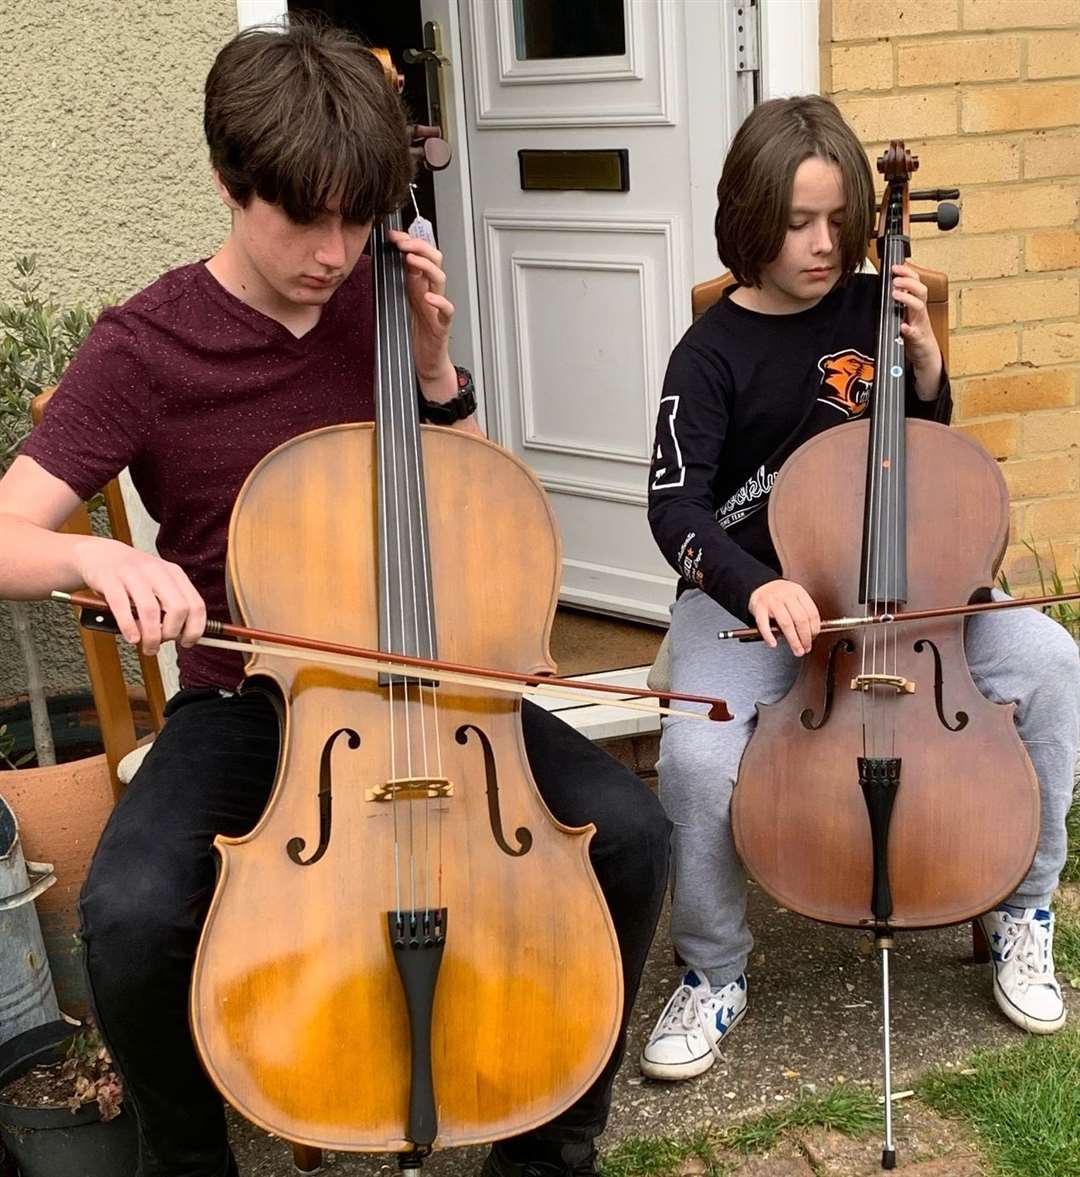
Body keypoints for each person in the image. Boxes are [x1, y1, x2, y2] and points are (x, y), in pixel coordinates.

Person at [0, 21, 671, 1177]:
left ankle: (550, 1145)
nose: (332, 250)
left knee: (635, 835)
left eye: (358, 217)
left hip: (436, 678)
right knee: (133, 911)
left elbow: (467, 509)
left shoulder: (380, 296)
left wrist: (435, 379)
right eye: (302, 217)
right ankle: (189, 1157)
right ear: (227, 178)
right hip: (256, 696)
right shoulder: (146, 345)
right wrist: (96, 560)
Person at [641, 94, 1079, 1082]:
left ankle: (1026, 905)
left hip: (905, 588)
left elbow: (929, 460)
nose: (825, 244)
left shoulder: (878, 308)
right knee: (699, 758)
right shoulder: (709, 354)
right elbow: (675, 511)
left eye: (839, 220)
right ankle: (713, 970)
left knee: (1053, 665)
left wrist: (927, 371)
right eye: (798, 221)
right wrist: (756, 587)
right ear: (751, 214)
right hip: (758, 605)